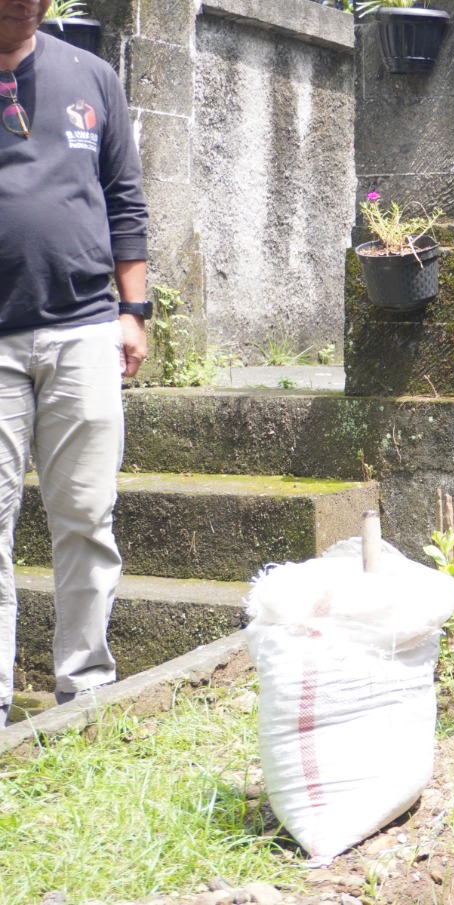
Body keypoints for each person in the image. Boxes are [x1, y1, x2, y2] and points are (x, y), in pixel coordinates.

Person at [0, 0, 150, 727]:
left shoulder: (93, 78)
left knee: (87, 519)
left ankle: (83, 690)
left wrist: (135, 311)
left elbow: (124, 198)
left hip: (85, 330)